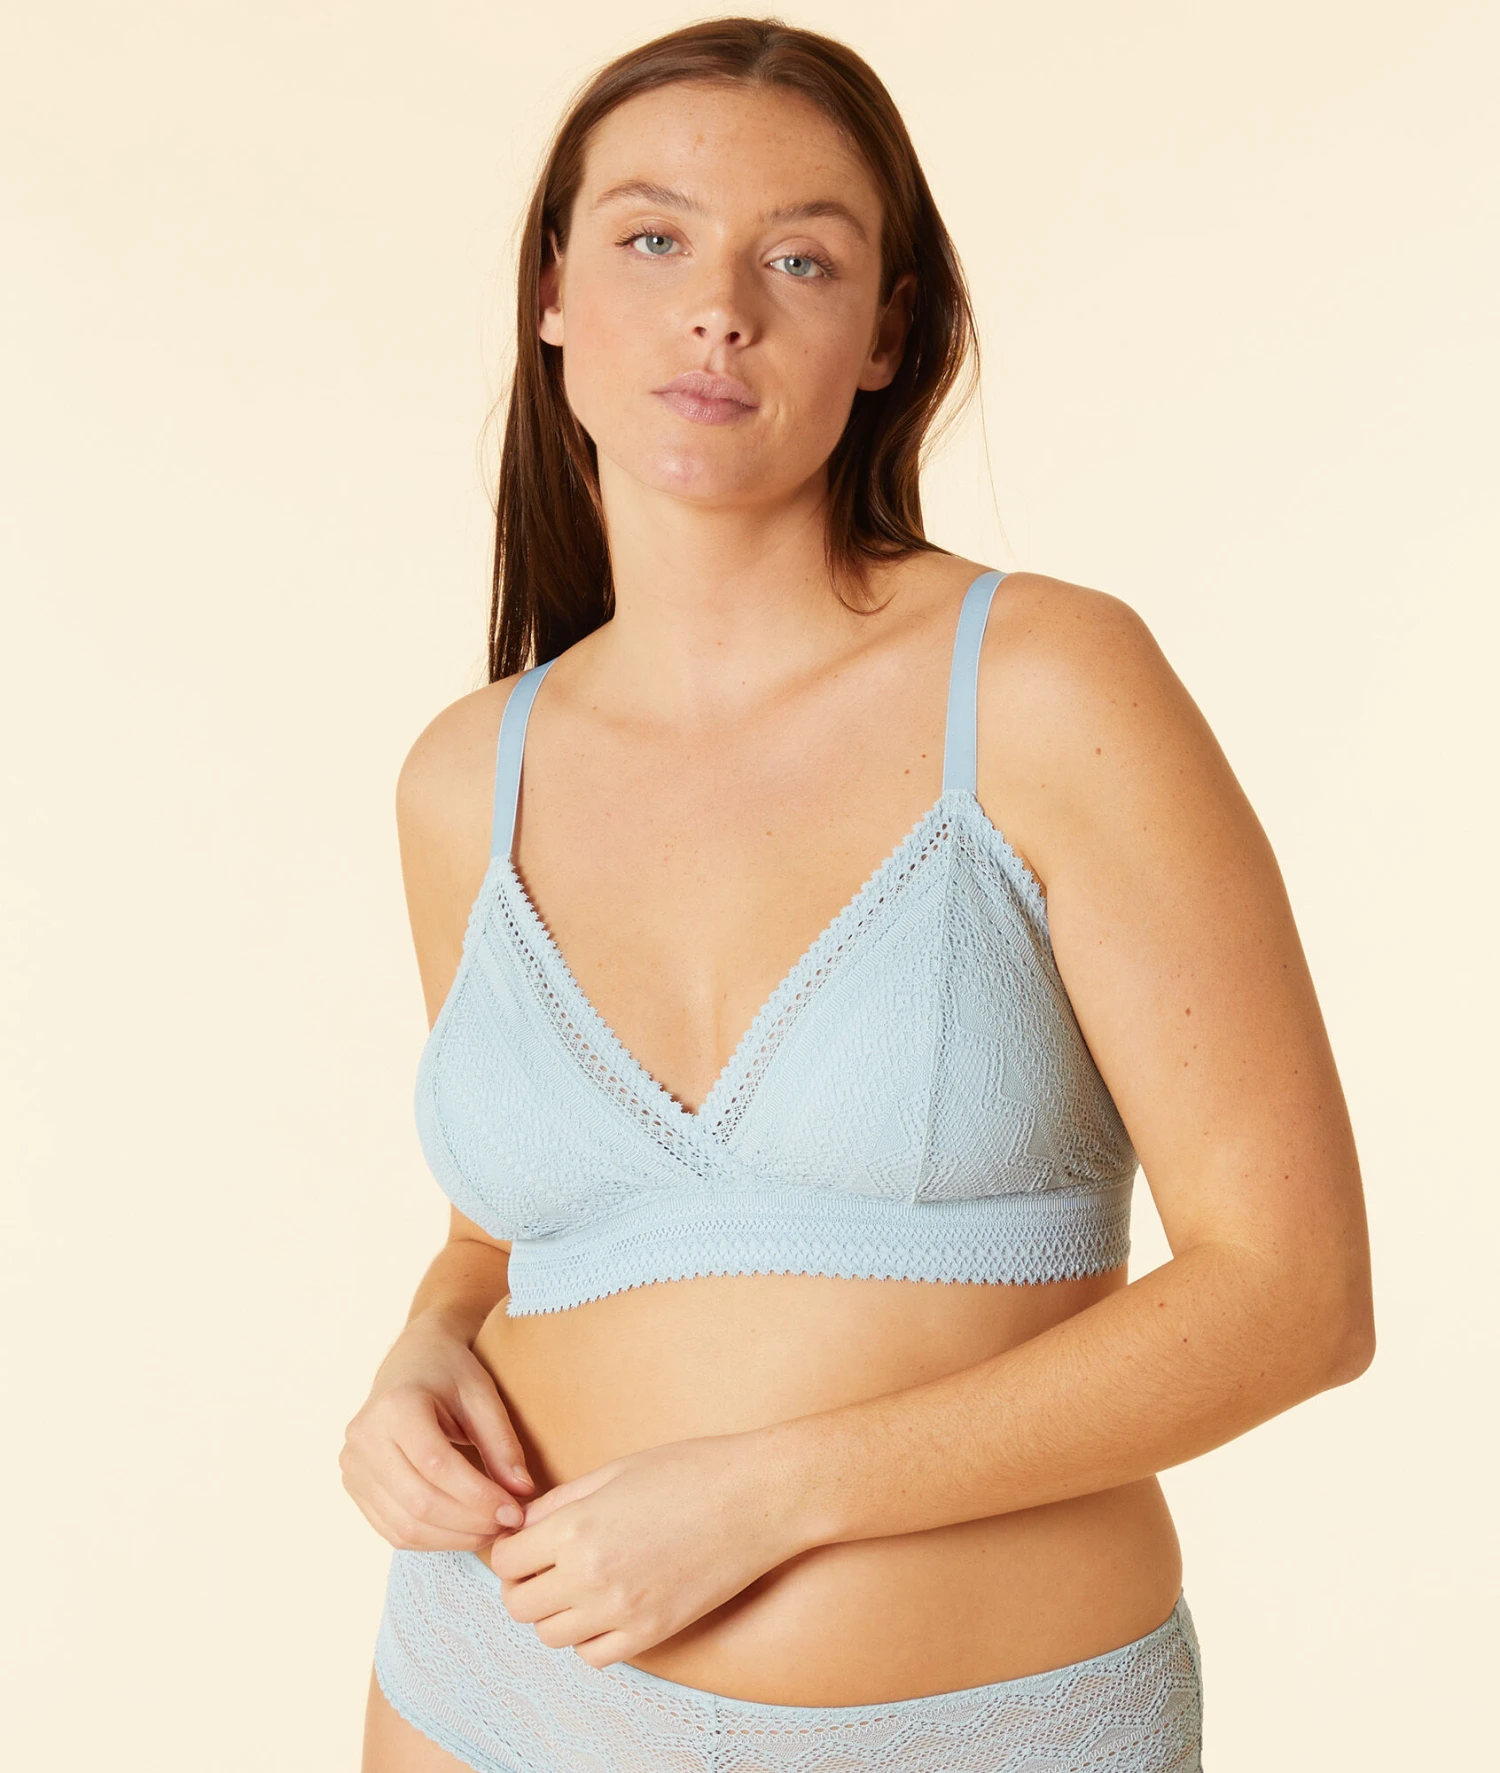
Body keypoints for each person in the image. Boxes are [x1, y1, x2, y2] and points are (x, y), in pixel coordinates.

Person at [341, 18, 1375, 1772]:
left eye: (800, 259)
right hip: (488, 1693)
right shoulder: (465, 778)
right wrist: (423, 1352)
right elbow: (510, 1235)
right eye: (652, 238)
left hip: (987, 1723)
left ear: (886, 334)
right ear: (553, 291)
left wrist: (770, 1496)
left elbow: (1295, 1295)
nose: (717, 310)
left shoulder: (1044, 687)